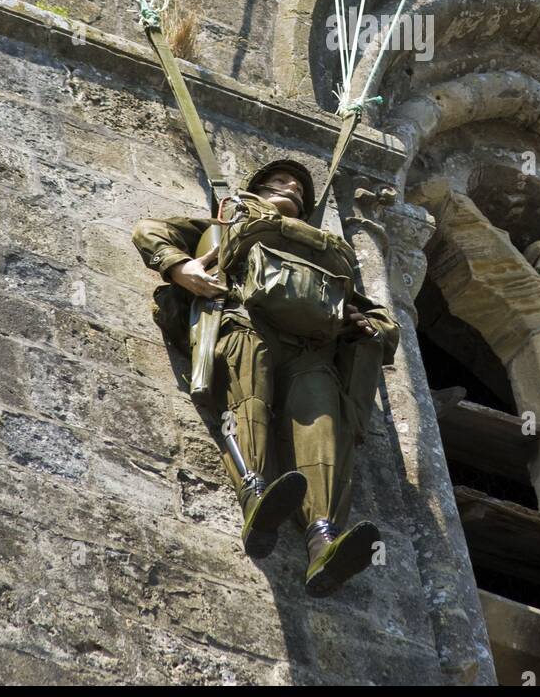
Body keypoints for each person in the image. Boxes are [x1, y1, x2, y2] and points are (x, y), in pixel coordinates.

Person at [132, 159, 399, 596]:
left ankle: (324, 541)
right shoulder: (230, 222)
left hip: (313, 349)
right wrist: (181, 268)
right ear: (257, 188)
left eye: (299, 187)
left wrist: (366, 324)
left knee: (322, 417)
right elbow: (149, 230)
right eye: (279, 181)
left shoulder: (324, 249)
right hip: (246, 321)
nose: (291, 187)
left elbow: (382, 323)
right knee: (248, 384)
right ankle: (255, 494)